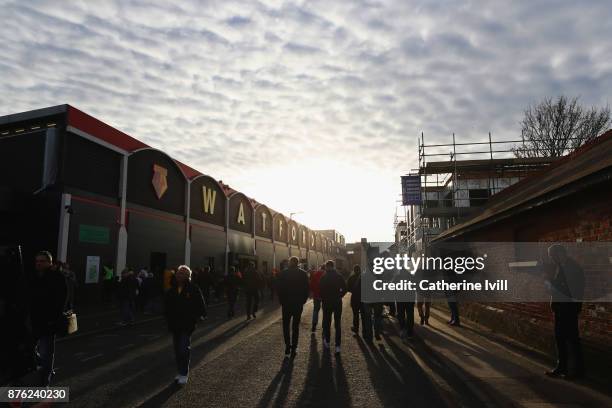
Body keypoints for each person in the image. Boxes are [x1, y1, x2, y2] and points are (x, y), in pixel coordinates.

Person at [545, 244, 585, 380]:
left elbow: (572, 290)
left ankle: (576, 371)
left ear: (559, 254)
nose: (551, 259)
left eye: (552, 256)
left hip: (568, 310)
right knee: (560, 339)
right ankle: (562, 367)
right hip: (561, 309)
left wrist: (551, 284)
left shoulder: (572, 268)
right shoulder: (562, 267)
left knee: (572, 340)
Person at [28, 251, 67, 386]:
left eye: (42, 261)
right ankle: (44, 369)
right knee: (29, 349)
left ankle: (45, 381)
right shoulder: (32, 276)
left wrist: (54, 317)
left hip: (48, 323)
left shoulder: (57, 277)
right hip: (33, 321)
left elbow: (61, 299)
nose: (39, 263)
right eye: (37, 261)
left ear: (50, 262)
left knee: (46, 352)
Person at [164, 265, 207, 385]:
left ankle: (184, 373)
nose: (179, 275)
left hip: (187, 324)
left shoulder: (193, 288)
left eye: (183, 273)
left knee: (183, 348)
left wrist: (201, 315)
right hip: (174, 325)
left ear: (188, 276)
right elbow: (167, 306)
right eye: (178, 273)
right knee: (177, 350)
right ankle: (180, 371)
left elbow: (201, 303)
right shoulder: (172, 289)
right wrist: (167, 318)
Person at [276, 256, 309, 358]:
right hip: (298, 303)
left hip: (286, 303)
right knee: (295, 326)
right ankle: (294, 347)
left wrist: (281, 301)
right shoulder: (303, 274)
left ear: (290, 262)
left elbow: (279, 289)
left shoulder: (283, 273)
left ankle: (287, 346)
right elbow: (306, 289)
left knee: (286, 325)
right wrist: (303, 300)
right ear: (298, 263)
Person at [319, 260, 347, 354]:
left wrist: (323, 298)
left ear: (327, 267)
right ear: (333, 266)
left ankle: (327, 341)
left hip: (327, 302)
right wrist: (340, 295)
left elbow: (320, 290)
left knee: (327, 322)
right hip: (337, 302)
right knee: (337, 324)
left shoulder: (324, 277)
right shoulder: (339, 276)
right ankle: (337, 345)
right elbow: (345, 288)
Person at [309, 264, 325, 333]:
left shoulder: (316, 273)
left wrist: (312, 292)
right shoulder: (327, 274)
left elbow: (311, 284)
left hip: (316, 295)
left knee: (315, 310)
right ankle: (324, 326)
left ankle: (314, 326)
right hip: (325, 296)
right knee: (325, 311)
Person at [346, 264, 361, 335]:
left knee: (355, 314)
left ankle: (356, 329)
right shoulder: (364, 277)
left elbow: (348, 288)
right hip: (363, 298)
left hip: (355, 298)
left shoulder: (351, 278)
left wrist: (353, 290)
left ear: (354, 270)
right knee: (364, 315)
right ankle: (365, 332)